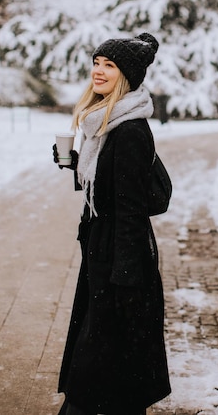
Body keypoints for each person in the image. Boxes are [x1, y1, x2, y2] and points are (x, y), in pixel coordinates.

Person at [53, 32, 171, 415]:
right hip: (105, 253)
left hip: (121, 258)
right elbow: (103, 187)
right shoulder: (102, 123)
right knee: (111, 362)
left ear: (127, 75)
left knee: (98, 362)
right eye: (97, 62)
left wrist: (126, 277)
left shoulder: (129, 130)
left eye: (110, 65)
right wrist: (72, 164)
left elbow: (130, 210)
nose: (98, 72)